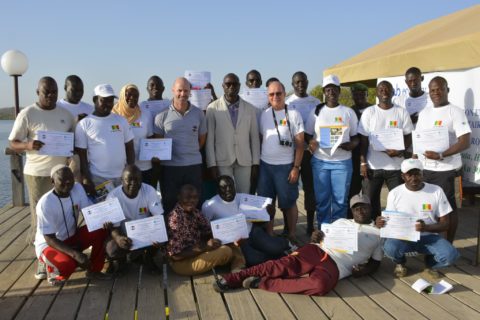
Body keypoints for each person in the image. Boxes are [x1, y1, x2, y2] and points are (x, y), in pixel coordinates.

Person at [213, 194, 382, 296]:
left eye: (364, 207)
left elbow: (376, 262)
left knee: (320, 286)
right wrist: (316, 236)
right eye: (356, 208)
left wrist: (365, 271)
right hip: (317, 251)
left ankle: (261, 283)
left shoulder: (377, 233)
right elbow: (321, 237)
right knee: (281, 265)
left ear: (371, 208)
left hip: (337, 267)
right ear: (351, 211)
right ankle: (232, 278)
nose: (360, 211)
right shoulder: (341, 222)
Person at [9, 76, 75, 244]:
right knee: (40, 216)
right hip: (37, 174)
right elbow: (13, 143)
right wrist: (28, 144)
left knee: (60, 213)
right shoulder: (27, 113)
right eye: (46, 92)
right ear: (38, 92)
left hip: (61, 175)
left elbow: (72, 140)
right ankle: (41, 255)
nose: (50, 95)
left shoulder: (66, 114)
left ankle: (62, 250)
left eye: (54, 92)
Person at [376, 159, 460, 278]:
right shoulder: (395, 193)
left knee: (451, 255)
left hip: (429, 237)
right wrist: (381, 223)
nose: (414, 178)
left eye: (417, 174)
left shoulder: (436, 190)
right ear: (402, 176)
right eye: (409, 174)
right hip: (403, 238)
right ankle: (400, 262)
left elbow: (446, 224)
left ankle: (430, 264)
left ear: (423, 174)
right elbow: (389, 222)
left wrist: (426, 227)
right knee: (390, 247)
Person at [415, 77, 471, 242]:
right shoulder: (424, 113)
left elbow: (465, 141)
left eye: (439, 89)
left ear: (447, 90)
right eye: (432, 90)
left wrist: (441, 155)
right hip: (426, 169)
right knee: (430, 208)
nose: (436, 93)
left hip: (448, 170)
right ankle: (432, 243)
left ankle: (449, 244)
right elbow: (418, 140)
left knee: (449, 210)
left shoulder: (455, 111)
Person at [34, 165, 110, 285]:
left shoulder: (78, 188)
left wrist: (103, 219)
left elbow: (88, 214)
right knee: (68, 266)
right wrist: (75, 255)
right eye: (62, 180)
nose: (68, 182)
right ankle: (53, 271)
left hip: (72, 238)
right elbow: (49, 238)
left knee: (101, 229)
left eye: (70, 178)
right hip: (50, 245)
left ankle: (94, 270)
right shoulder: (45, 203)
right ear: (52, 181)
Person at [202, 175, 292, 267]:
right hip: (235, 243)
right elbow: (205, 229)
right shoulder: (209, 205)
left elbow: (261, 222)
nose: (228, 190)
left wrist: (270, 213)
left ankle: (286, 244)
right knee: (253, 260)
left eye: (231, 186)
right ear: (217, 190)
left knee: (275, 247)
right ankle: (280, 257)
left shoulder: (244, 198)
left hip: (253, 232)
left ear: (235, 186)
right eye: (224, 187)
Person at [305, 75, 359, 226]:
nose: (331, 92)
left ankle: (338, 232)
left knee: (340, 201)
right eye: (328, 90)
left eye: (334, 89)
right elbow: (308, 133)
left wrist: (351, 145)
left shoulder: (348, 112)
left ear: (339, 91)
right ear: (324, 92)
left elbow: (356, 137)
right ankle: (323, 230)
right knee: (322, 200)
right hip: (320, 161)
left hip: (342, 162)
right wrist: (311, 142)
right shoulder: (316, 111)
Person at [358, 81, 413, 219]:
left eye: (387, 89)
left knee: (399, 201)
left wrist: (400, 150)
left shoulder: (401, 112)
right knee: (371, 202)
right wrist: (363, 163)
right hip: (373, 166)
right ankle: (375, 231)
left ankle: (397, 230)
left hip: (395, 166)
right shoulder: (369, 112)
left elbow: (409, 136)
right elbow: (363, 141)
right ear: (376, 93)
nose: (384, 92)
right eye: (381, 89)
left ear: (393, 92)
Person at [257, 81, 304, 241]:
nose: (275, 96)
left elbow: (300, 144)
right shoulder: (264, 115)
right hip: (266, 166)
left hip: (286, 166)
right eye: (271, 94)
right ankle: (269, 234)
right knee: (266, 202)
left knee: (289, 202)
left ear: (284, 94)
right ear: (268, 96)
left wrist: (296, 167)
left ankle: (291, 234)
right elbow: (261, 138)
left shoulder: (293, 114)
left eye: (278, 93)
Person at [153, 77, 207, 213]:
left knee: (195, 205)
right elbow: (158, 144)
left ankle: (194, 233)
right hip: (170, 168)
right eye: (179, 90)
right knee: (170, 204)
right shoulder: (161, 116)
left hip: (193, 166)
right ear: (173, 91)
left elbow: (201, 140)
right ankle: (172, 233)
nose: (183, 94)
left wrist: (188, 152)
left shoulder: (199, 113)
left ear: (190, 92)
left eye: (186, 91)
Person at [75, 84, 135, 195]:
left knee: (123, 210)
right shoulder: (84, 124)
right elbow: (82, 155)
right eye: (104, 100)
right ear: (94, 100)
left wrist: (131, 171)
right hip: (98, 179)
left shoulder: (121, 121)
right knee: (105, 211)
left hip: (122, 177)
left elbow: (130, 147)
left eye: (111, 100)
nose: (108, 104)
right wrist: (87, 179)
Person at [205, 73, 260, 194]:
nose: (231, 87)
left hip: (245, 160)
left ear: (239, 86)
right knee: (225, 196)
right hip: (223, 159)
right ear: (223, 86)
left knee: (244, 194)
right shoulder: (212, 108)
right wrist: (211, 164)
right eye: (228, 84)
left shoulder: (250, 108)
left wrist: (256, 163)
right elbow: (210, 140)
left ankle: (243, 214)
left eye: (234, 84)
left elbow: (254, 138)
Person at [104, 165, 164, 273]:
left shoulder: (149, 190)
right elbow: (114, 227)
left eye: (137, 179)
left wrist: (157, 234)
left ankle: (148, 258)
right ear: (122, 180)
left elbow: (159, 216)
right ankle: (122, 260)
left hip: (145, 232)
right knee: (112, 249)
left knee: (164, 234)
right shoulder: (113, 196)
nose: (133, 183)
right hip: (123, 233)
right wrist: (118, 238)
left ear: (141, 180)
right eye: (129, 180)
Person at [167, 184, 233, 276]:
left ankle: (238, 267)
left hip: (198, 251)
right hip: (181, 263)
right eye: (188, 197)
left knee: (231, 240)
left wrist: (227, 233)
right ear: (179, 197)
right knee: (226, 251)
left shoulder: (195, 212)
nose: (192, 201)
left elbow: (208, 231)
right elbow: (175, 256)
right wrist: (205, 247)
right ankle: (236, 267)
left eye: (195, 198)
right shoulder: (175, 218)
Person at [286, 71, 321, 234]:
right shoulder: (287, 103)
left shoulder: (317, 102)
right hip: (291, 152)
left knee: (310, 189)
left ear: (307, 82)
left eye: (303, 82)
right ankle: (288, 225)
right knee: (289, 189)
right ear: (292, 84)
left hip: (311, 153)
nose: (300, 85)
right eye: (297, 82)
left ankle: (309, 224)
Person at [112, 84, 154, 185]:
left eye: (136, 96)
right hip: (120, 169)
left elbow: (150, 138)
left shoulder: (145, 114)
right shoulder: (112, 115)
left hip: (143, 167)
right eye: (128, 94)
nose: (132, 98)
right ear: (122, 95)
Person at [139, 76, 170, 190]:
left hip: (166, 153)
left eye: (158, 85)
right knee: (149, 188)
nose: (155, 87)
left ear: (163, 88)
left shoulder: (169, 104)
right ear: (147, 88)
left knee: (166, 188)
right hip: (147, 155)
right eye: (152, 85)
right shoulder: (141, 106)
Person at [348, 83, 372, 217]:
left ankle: (371, 218)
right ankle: (351, 217)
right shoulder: (349, 111)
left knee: (369, 192)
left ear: (367, 95)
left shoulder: (373, 109)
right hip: (353, 156)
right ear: (352, 96)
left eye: (362, 94)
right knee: (353, 191)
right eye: (356, 94)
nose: (359, 97)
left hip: (372, 156)